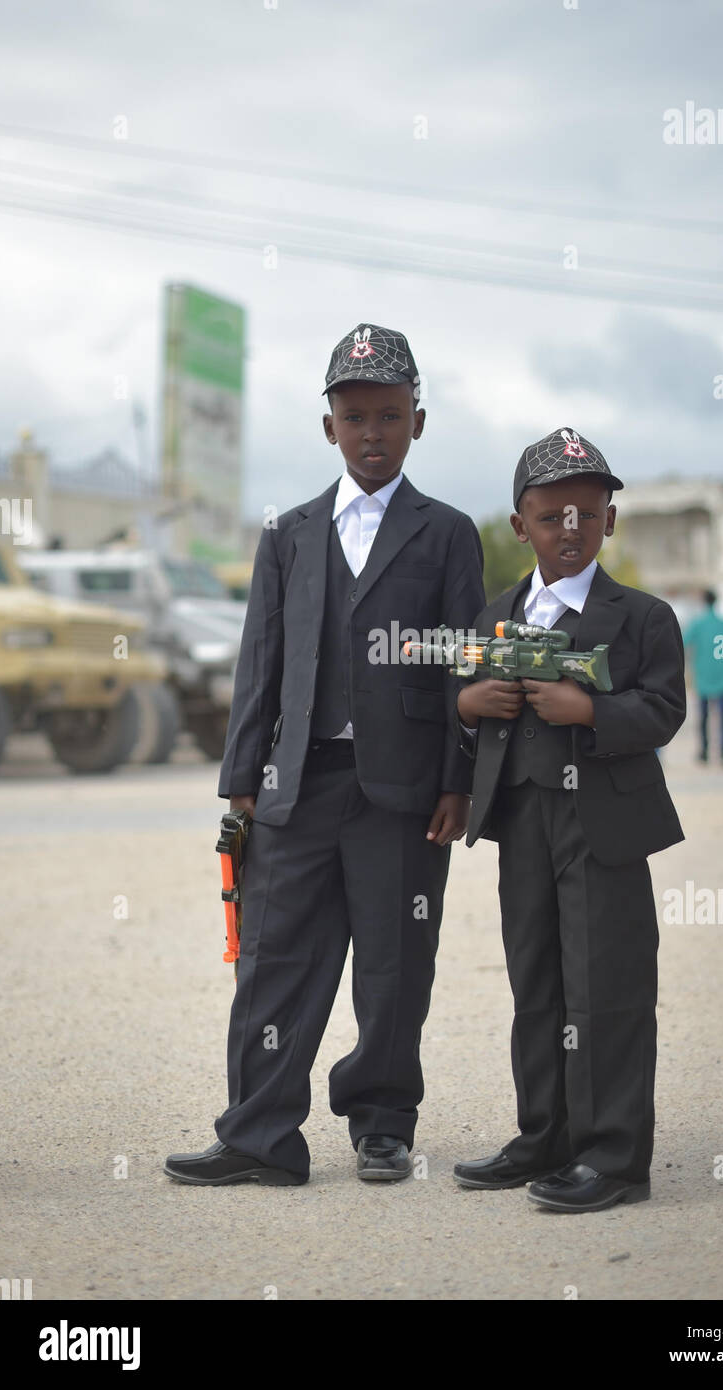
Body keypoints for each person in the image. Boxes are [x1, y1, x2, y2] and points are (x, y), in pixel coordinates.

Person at [164, 323, 485, 1188]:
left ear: (418, 421)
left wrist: (457, 782)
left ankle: (381, 1124)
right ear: (328, 428)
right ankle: (259, 1135)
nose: (371, 432)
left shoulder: (448, 533)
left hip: (404, 795)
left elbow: (464, 663)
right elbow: (258, 662)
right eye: (354, 417)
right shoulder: (290, 533)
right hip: (294, 787)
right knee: (276, 960)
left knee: (393, 963)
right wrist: (240, 784)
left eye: (389, 415)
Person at [450, 427, 686, 1213]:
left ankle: (614, 1157)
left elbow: (662, 710)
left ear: (609, 519)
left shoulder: (643, 616)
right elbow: (472, 723)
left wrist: (590, 708)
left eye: (587, 514)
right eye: (551, 518)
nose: (570, 531)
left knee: (607, 985)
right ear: (520, 527)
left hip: (604, 827)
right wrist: (467, 703)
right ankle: (542, 1135)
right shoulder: (493, 616)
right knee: (538, 981)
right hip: (521, 822)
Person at [683, 590, 723, 765]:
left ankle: (704, 751)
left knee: (704, 717)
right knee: (722, 717)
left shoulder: (697, 624)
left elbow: (683, 643)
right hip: (722, 676)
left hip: (702, 676)